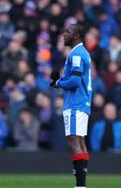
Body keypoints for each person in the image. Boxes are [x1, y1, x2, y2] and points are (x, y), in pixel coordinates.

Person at [50, 24, 92, 188]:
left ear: (76, 36)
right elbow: (76, 79)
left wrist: (58, 82)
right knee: (80, 142)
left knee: (73, 141)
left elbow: (74, 82)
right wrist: (58, 82)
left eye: (67, 32)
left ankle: (80, 186)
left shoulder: (76, 54)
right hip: (82, 102)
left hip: (75, 103)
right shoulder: (83, 53)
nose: (64, 34)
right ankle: (82, 185)